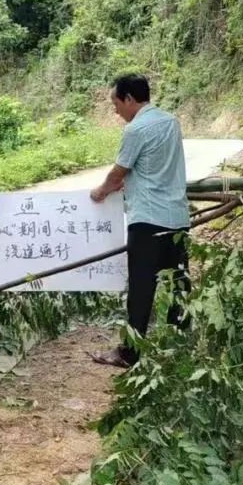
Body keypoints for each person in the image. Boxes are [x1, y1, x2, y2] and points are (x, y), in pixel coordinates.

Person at [89, 74, 190, 368]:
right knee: (178, 283)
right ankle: (179, 344)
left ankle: (130, 352)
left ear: (130, 99)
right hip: (178, 218)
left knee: (142, 289)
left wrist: (100, 192)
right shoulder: (171, 122)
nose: (115, 110)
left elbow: (119, 172)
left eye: (116, 103)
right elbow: (154, 166)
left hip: (147, 219)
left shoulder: (136, 130)